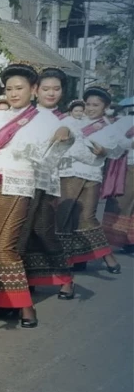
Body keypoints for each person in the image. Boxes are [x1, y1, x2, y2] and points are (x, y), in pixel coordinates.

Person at [0, 63, 70, 328]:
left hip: (20, 186)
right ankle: (0, 301)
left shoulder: (45, 119)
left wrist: (65, 138)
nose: (13, 93)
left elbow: (51, 155)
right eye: (9, 88)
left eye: (19, 88)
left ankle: (25, 307)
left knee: (5, 247)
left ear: (33, 90)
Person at [57, 86, 124, 275]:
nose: (91, 108)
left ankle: (94, 255)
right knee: (67, 216)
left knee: (87, 217)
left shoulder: (110, 126)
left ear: (106, 106)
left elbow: (118, 150)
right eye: (88, 104)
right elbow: (67, 144)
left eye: (96, 105)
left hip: (93, 174)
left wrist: (104, 152)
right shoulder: (74, 122)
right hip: (71, 172)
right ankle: (72, 258)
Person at [24, 67, 76, 298]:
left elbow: (72, 139)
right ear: (35, 90)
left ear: (63, 92)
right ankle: (30, 277)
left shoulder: (66, 120)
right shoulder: (24, 115)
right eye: (46, 89)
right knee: (23, 233)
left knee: (43, 230)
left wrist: (66, 132)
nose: (51, 93)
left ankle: (65, 277)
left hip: (45, 184)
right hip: (20, 181)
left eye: (56, 89)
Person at [101, 113, 134, 253]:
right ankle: (121, 237)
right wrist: (128, 144)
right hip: (129, 164)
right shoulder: (126, 121)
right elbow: (113, 138)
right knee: (124, 202)